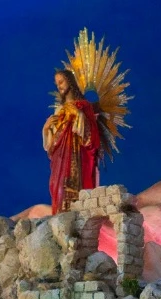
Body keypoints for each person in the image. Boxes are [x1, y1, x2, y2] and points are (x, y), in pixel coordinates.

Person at [43, 68, 101, 213]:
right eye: (57, 84)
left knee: (73, 188)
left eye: (61, 82)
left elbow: (90, 136)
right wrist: (46, 129)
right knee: (59, 188)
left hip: (76, 156)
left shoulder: (84, 106)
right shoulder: (59, 110)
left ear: (70, 81)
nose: (59, 86)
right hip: (60, 159)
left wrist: (78, 114)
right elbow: (50, 146)